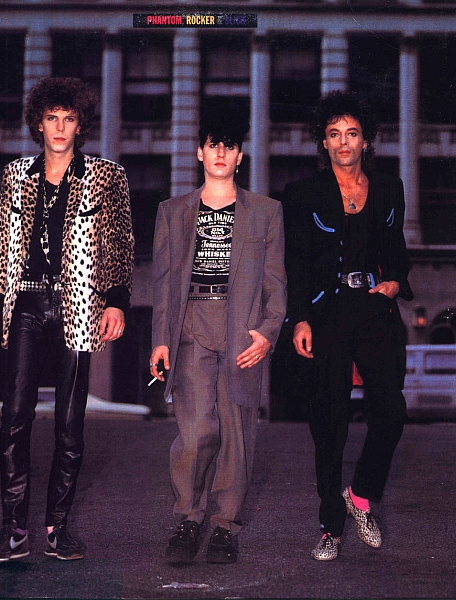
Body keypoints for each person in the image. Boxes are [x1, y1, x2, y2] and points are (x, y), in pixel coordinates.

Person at [0, 77, 134, 562]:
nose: (61, 127)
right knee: (14, 415)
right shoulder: (16, 174)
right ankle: (12, 529)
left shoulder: (107, 176)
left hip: (79, 304)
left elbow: (119, 245)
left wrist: (116, 302)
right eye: (52, 118)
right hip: (24, 302)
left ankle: (57, 528)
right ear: (39, 123)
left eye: (69, 119)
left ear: (81, 125)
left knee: (69, 421)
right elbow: (4, 246)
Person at [149, 108, 287, 564]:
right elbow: (163, 282)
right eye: (213, 145)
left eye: (229, 146)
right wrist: (161, 339)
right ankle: (189, 517)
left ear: (240, 156)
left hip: (241, 330)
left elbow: (276, 282)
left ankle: (225, 526)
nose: (221, 153)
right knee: (196, 431)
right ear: (199, 153)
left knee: (237, 433)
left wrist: (267, 333)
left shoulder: (266, 212)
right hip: (191, 325)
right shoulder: (173, 212)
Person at [283, 90, 412, 561]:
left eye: (352, 133)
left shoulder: (390, 187)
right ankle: (330, 528)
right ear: (323, 141)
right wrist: (299, 317)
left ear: (366, 140)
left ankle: (359, 495)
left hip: (375, 309)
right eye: (334, 134)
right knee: (329, 423)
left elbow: (396, 247)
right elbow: (296, 263)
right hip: (326, 313)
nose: (343, 142)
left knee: (391, 412)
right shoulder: (302, 194)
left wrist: (394, 283)